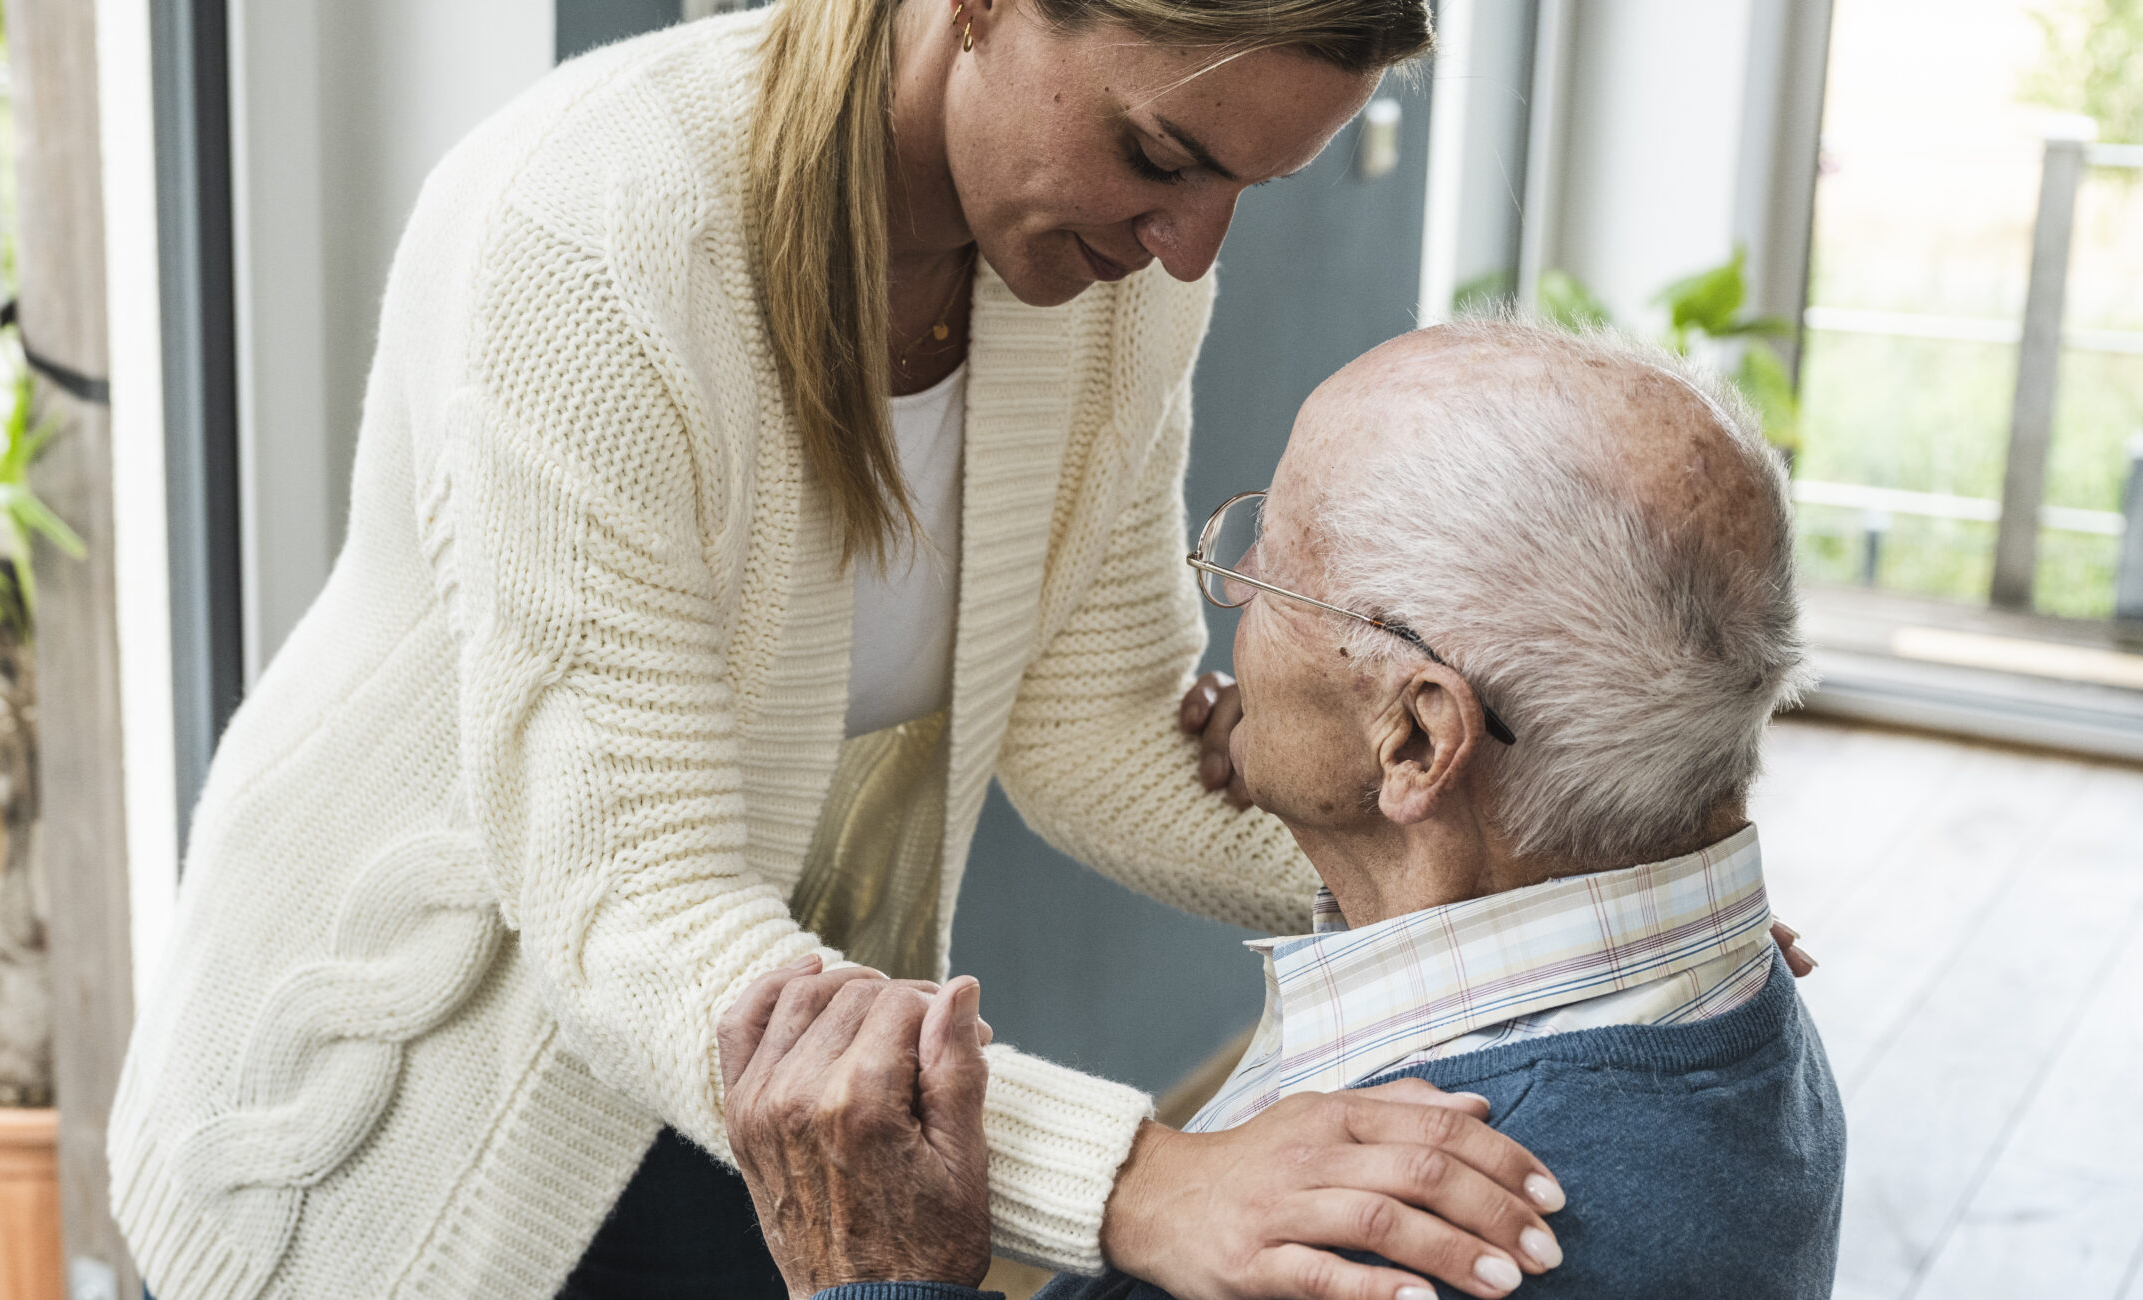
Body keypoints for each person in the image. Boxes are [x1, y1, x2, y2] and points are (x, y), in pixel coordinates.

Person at [105, 2, 1592, 1298]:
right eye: (1161, 155)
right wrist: (1147, 1184)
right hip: (426, 1091)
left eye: (1248, 187)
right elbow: (633, 899)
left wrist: (1521, 887)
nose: (1188, 248)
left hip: (770, 1055)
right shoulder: (591, 231)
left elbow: (1097, 729)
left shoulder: (1110, 287)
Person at [717, 321, 1846, 1300]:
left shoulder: (1414, 1231)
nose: (1236, 583)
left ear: (1412, 738)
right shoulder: (1727, 1003)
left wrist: (877, 1270)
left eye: (1279, 561)